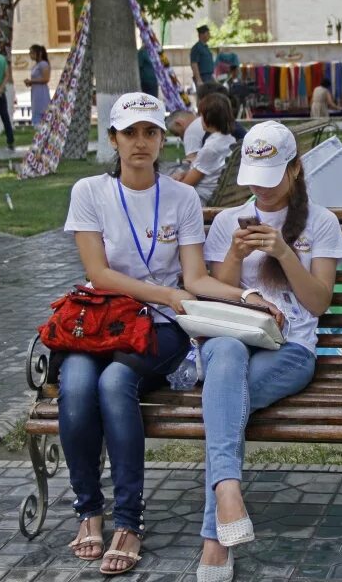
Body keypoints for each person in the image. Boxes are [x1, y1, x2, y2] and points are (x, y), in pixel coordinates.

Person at [59, 92, 281, 576]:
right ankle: (88, 512)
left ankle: (129, 521)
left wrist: (243, 298)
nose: (140, 142)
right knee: (75, 385)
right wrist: (167, 294)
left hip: (158, 330)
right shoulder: (89, 192)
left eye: (150, 132)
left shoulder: (180, 196)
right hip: (101, 322)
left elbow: (196, 278)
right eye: (130, 133)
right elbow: (98, 275)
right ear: (114, 139)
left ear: (163, 139)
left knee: (116, 384)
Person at [195, 120, 342, 582]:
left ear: (295, 170)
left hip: (291, 351)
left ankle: (216, 526)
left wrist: (283, 252)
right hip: (232, 342)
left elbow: (319, 303)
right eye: (253, 182)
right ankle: (226, 504)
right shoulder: (227, 221)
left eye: (271, 180)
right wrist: (237, 259)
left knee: (224, 403)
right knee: (223, 355)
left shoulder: (319, 223)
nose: (260, 192)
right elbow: (216, 294)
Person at [177, 93, 237, 204]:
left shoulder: (211, 148)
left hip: (202, 198)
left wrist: (172, 182)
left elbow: (187, 184)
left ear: (208, 117)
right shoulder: (229, 140)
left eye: (202, 115)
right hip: (216, 193)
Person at [24, 44, 51, 127]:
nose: (30, 55)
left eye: (32, 53)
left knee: (41, 109)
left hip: (41, 91)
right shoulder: (36, 65)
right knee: (36, 108)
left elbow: (46, 79)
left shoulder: (43, 64)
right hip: (35, 91)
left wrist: (32, 81)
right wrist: (30, 83)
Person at [190, 25, 216, 94]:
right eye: (207, 33)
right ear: (201, 35)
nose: (209, 35)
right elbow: (194, 64)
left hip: (209, 76)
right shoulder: (197, 48)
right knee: (204, 98)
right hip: (203, 77)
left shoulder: (206, 47)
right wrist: (198, 79)